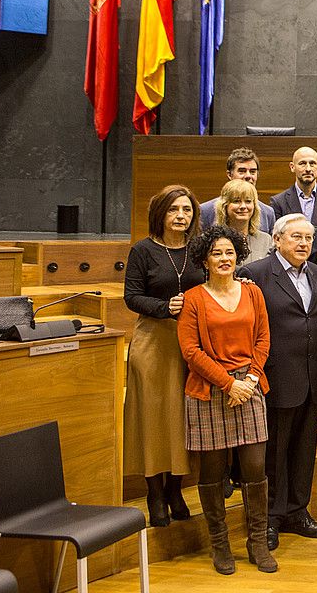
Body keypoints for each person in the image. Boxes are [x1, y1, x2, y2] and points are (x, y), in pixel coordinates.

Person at [178, 225, 275, 574]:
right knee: (213, 471)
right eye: (217, 253)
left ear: (239, 256)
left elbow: (263, 339)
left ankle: (258, 542)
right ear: (205, 259)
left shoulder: (253, 293)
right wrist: (227, 384)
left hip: (249, 387)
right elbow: (191, 351)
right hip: (209, 392)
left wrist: (248, 380)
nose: (224, 259)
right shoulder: (192, 299)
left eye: (230, 252)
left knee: (255, 468)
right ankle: (220, 545)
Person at [240, 215, 317, 551]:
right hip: (275, 376)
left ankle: (297, 511)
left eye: (308, 237)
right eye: (296, 237)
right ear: (277, 239)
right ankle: (270, 519)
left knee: (305, 448)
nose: (304, 244)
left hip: (312, 375)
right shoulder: (255, 274)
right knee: (274, 453)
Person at [123, 185, 203, 528]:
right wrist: (163, 307)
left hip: (194, 344)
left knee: (184, 417)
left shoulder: (200, 249)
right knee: (154, 418)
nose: (181, 216)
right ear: (161, 214)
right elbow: (131, 296)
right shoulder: (143, 250)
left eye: (186, 210)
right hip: (154, 342)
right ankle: (154, 493)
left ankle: (176, 490)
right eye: (174, 210)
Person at [269, 146, 317, 270]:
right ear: (292, 167)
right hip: (287, 270)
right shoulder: (278, 202)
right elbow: (277, 240)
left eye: (312, 163)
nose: (308, 169)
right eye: (302, 163)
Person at [199, 147, 276, 233]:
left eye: (252, 171)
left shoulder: (268, 212)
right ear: (229, 175)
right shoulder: (205, 210)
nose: (248, 176)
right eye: (242, 171)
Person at [216, 179, 273, 263]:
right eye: (236, 201)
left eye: (248, 201)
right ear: (224, 206)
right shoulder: (214, 240)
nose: (243, 206)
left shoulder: (266, 240)